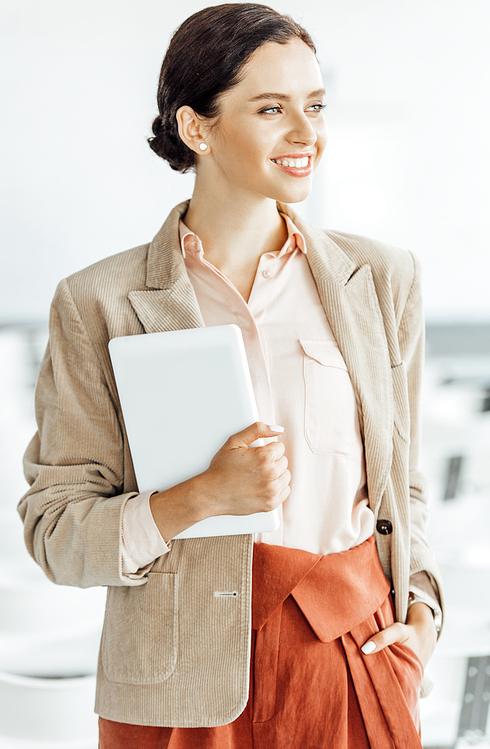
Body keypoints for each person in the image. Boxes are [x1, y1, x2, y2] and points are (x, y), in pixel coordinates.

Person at [19, 4, 444, 747]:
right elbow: (56, 531)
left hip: (354, 658)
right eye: (272, 109)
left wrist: (425, 613)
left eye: (315, 106)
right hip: (179, 686)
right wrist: (202, 497)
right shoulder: (99, 303)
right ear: (197, 128)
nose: (308, 135)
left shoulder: (382, 280)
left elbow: (402, 483)